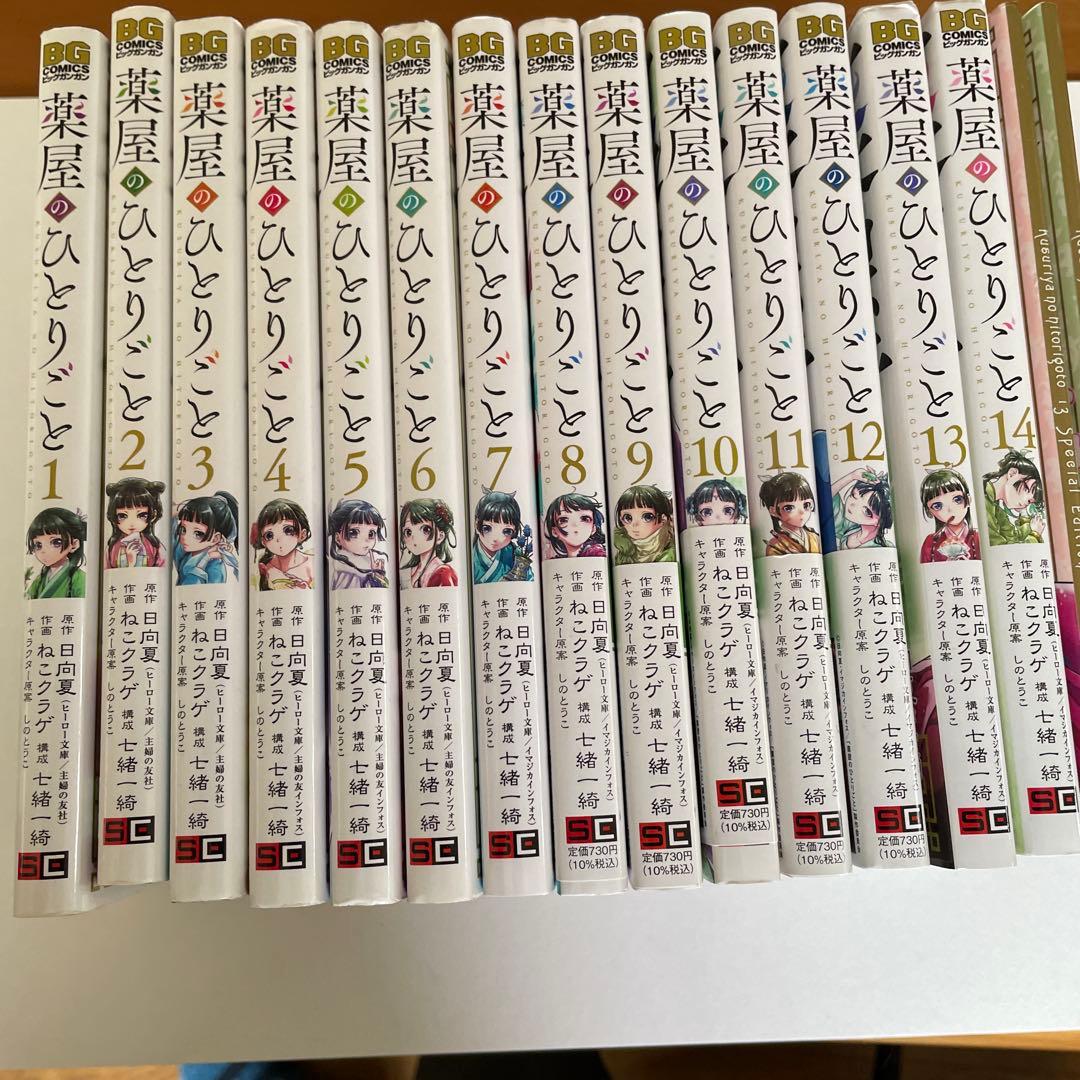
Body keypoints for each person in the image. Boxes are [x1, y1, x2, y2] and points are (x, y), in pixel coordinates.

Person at [174, 491, 240, 585]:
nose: (185, 537)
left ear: (215, 538)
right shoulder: (187, 551)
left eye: (198, 533)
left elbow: (193, 589)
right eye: (183, 529)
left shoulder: (214, 567)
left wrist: (204, 561)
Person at [982, 449, 1045, 546]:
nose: (1028, 501)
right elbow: (1002, 547)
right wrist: (1035, 535)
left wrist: (1027, 524)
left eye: (1031, 500)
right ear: (1012, 474)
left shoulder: (996, 507)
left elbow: (1012, 538)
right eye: (1027, 489)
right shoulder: (985, 501)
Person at [472, 488, 533, 584]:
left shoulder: (515, 554)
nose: (496, 538)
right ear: (476, 525)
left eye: (507, 531)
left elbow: (529, 580)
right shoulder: (471, 556)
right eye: (487, 528)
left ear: (515, 530)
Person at [251, 499, 315, 590]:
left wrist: (305, 589)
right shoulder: (266, 568)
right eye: (269, 535)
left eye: (288, 530)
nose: (279, 539)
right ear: (263, 542)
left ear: (302, 534)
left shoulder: (311, 563)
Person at [25, 506, 87, 599]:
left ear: (74, 544)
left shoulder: (79, 578)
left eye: (56, 542)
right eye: (38, 545)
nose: (44, 550)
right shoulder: (40, 579)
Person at [919, 468, 980, 563]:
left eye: (957, 499)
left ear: (968, 500)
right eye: (938, 506)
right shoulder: (930, 542)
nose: (950, 509)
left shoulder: (978, 537)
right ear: (929, 511)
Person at [104, 477, 166, 569]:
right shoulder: (113, 547)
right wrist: (130, 562)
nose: (132, 523)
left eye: (141, 515)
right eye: (122, 516)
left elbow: (162, 569)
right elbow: (106, 571)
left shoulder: (154, 545)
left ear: (153, 515)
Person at [328, 499, 389, 589]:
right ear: (337, 538)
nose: (366, 540)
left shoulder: (367, 562)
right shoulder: (346, 572)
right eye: (354, 532)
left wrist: (377, 576)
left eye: (371, 534)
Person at [399, 498, 458, 587]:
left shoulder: (443, 573)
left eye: (425, 529)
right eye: (408, 532)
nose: (415, 537)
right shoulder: (412, 570)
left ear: (440, 536)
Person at [830, 467, 893, 550]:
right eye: (853, 495)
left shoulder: (884, 547)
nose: (852, 504)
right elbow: (826, 499)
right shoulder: (851, 527)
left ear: (880, 521)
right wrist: (852, 476)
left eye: (866, 511)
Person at [612, 485, 676, 566]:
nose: (635, 524)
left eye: (647, 517)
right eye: (628, 518)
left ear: (663, 519)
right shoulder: (623, 551)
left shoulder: (671, 552)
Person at [760, 471, 821, 555]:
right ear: (773, 511)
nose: (801, 512)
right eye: (789, 508)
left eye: (806, 505)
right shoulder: (775, 545)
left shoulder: (814, 537)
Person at [543, 492, 607, 558]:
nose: (575, 525)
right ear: (554, 531)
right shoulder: (556, 559)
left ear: (593, 528)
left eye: (584, 519)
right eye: (563, 520)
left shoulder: (598, 554)